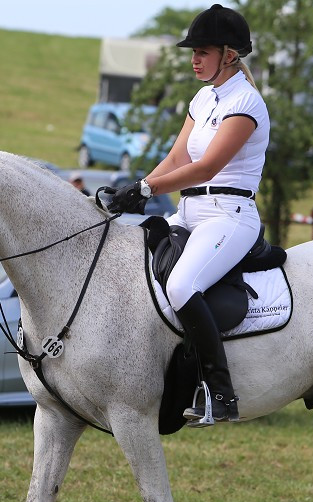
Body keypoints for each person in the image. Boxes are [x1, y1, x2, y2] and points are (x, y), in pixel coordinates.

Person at [108, 3, 267, 426]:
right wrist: (135, 191)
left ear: (229, 55)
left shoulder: (246, 103)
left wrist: (148, 189)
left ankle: (220, 393)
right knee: (135, 265)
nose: (194, 59)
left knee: (180, 285)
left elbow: (207, 167)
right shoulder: (204, 97)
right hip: (191, 209)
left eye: (202, 51)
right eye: (193, 52)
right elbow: (178, 155)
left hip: (229, 216)